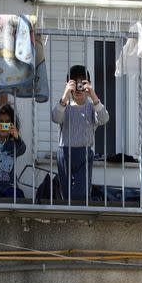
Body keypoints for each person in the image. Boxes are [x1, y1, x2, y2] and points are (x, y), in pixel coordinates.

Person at [51, 65, 109, 201]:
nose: (78, 88)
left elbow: (103, 119)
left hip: (84, 152)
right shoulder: (65, 106)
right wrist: (65, 96)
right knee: (65, 191)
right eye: (74, 83)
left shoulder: (92, 107)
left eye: (82, 83)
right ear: (68, 85)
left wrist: (93, 96)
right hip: (65, 152)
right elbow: (56, 117)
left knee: (82, 192)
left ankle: (80, 215)